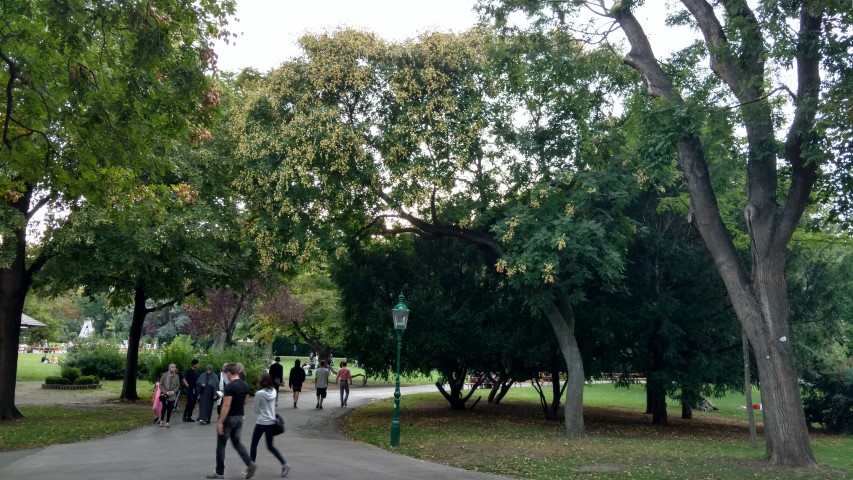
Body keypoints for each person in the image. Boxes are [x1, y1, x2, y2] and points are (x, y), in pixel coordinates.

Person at [206, 363, 257, 480]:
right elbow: (245, 401)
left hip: (229, 418)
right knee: (237, 443)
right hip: (239, 417)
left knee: (221, 445)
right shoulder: (245, 385)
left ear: (229, 373)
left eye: (226, 374)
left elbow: (227, 405)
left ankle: (219, 472)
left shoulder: (230, 386)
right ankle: (250, 463)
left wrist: (220, 422)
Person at [250, 373, 291, 477]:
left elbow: (256, 409)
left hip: (261, 422)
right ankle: (284, 464)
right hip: (271, 421)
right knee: (270, 446)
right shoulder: (273, 391)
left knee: (254, 444)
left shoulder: (259, 394)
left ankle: (251, 468)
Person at [158, 363, 181, 428]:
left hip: (172, 395)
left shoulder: (176, 376)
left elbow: (178, 386)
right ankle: (161, 420)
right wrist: (165, 392)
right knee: (164, 408)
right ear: (169, 368)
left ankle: (167, 422)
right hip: (165, 395)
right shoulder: (164, 375)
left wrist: (173, 392)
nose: (174, 368)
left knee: (169, 409)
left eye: (175, 367)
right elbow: (161, 384)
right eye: (172, 367)